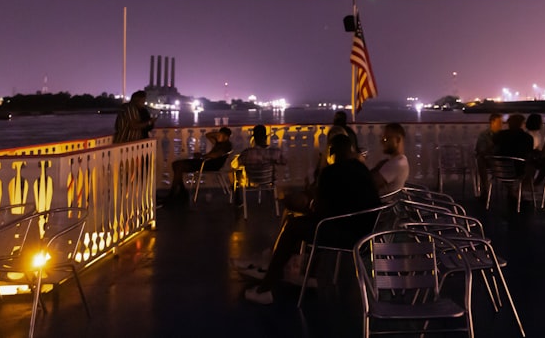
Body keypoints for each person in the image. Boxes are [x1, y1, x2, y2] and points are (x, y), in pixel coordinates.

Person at [243, 134, 380, 304]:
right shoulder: (362, 170)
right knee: (307, 224)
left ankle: (266, 286)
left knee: (293, 226)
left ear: (331, 151)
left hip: (345, 234)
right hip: (368, 234)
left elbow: (322, 213)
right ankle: (308, 272)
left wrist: (304, 208)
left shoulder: (330, 172)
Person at [166, 126, 233, 202]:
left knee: (179, 166)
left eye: (220, 135)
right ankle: (181, 191)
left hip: (209, 165)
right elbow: (208, 135)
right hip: (205, 162)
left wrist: (202, 156)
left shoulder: (226, 145)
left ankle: (175, 193)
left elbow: (216, 155)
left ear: (226, 137)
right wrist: (218, 134)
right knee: (176, 165)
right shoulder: (219, 143)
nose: (217, 136)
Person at [370, 123, 409, 195]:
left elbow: (368, 184)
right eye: (382, 138)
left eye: (386, 139)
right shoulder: (401, 160)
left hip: (381, 205)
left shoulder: (396, 164)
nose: (382, 141)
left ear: (397, 140)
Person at [475, 112, 503, 196]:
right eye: (499, 122)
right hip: (489, 160)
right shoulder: (484, 135)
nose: (501, 125)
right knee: (481, 159)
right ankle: (485, 186)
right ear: (492, 122)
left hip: (502, 160)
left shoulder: (503, 135)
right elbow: (481, 150)